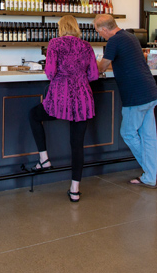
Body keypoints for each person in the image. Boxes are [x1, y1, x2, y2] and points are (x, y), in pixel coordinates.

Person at [28, 15, 99, 202]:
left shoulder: (55, 44)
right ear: (76, 27)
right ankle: (75, 189)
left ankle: (44, 159)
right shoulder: (87, 46)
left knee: (34, 115)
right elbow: (93, 75)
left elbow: (50, 72)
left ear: (61, 27)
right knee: (77, 144)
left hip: (61, 96)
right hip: (83, 97)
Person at [93, 14, 157, 189]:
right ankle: (152, 173)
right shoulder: (130, 36)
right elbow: (119, 62)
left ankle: (151, 170)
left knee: (128, 133)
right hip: (150, 91)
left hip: (135, 95)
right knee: (148, 136)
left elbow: (102, 67)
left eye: (98, 31)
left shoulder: (114, 42)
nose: (99, 35)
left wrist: (92, 64)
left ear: (104, 29)